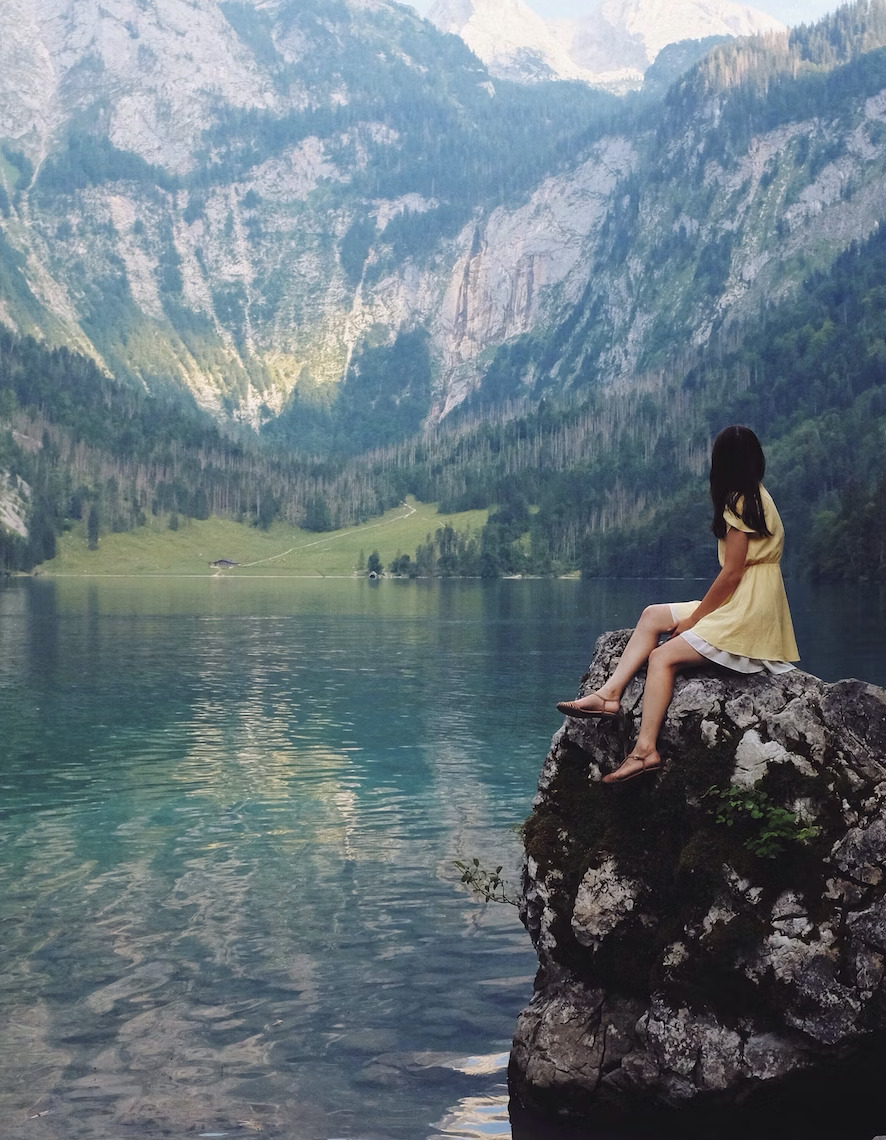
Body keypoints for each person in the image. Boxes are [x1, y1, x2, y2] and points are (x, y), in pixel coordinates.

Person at [556, 425, 799, 784]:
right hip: (748, 599)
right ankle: (608, 695)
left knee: (662, 657)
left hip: (748, 609)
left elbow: (731, 574)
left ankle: (644, 752)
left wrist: (695, 620)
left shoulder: (740, 501)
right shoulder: (758, 495)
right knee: (652, 615)